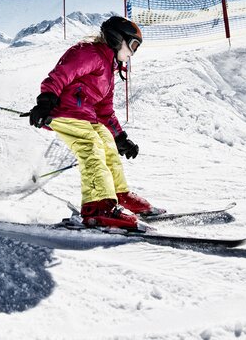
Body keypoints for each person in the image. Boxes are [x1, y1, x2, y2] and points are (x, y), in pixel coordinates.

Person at [27, 16, 157, 230]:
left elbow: (105, 110)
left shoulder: (109, 68)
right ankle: (97, 206)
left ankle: (117, 195)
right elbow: (60, 75)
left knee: (107, 143)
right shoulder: (88, 52)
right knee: (91, 146)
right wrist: (45, 102)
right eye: (132, 45)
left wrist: (120, 138)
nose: (133, 53)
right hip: (64, 112)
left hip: (87, 117)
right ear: (117, 39)